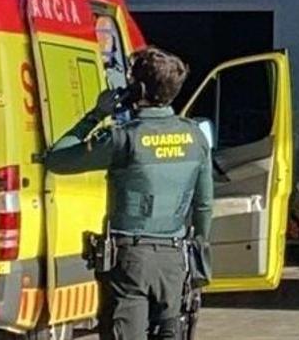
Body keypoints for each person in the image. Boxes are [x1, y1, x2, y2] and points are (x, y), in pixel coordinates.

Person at [45, 47, 213, 340]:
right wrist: (198, 252)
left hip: (130, 260)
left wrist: (96, 114)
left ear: (138, 89)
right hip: (174, 262)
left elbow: (57, 159)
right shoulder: (195, 136)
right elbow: (204, 206)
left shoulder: (124, 138)